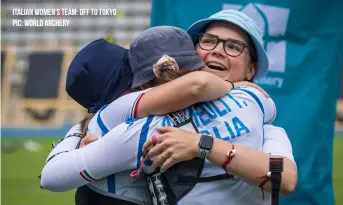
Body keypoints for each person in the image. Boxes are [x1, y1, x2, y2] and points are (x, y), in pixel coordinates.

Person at [41, 10, 297, 205]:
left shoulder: (261, 117)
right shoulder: (148, 127)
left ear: (251, 68)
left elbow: (283, 179)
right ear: (194, 53)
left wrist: (203, 145)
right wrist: (83, 133)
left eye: (233, 47)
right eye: (209, 41)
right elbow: (55, 176)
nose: (218, 51)